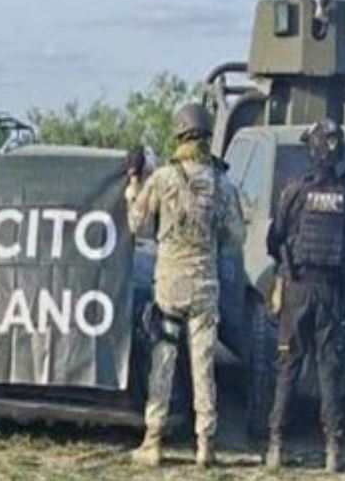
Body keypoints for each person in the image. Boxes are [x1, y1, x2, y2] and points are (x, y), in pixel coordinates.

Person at [125, 103, 245, 467]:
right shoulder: (222, 183)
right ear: (208, 137)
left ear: (179, 135)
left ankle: (153, 439)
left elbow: (137, 225)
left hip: (169, 285)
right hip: (205, 286)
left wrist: (133, 187)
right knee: (203, 365)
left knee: (163, 359)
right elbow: (236, 237)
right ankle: (206, 443)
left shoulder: (162, 178)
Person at [264, 119, 345, 473]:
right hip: (331, 291)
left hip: (297, 288)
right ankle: (333, 450)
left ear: (312, 150)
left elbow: (274, 239)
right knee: (328, 370)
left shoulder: (295, 190)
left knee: (287, 366)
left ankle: (275, 446)